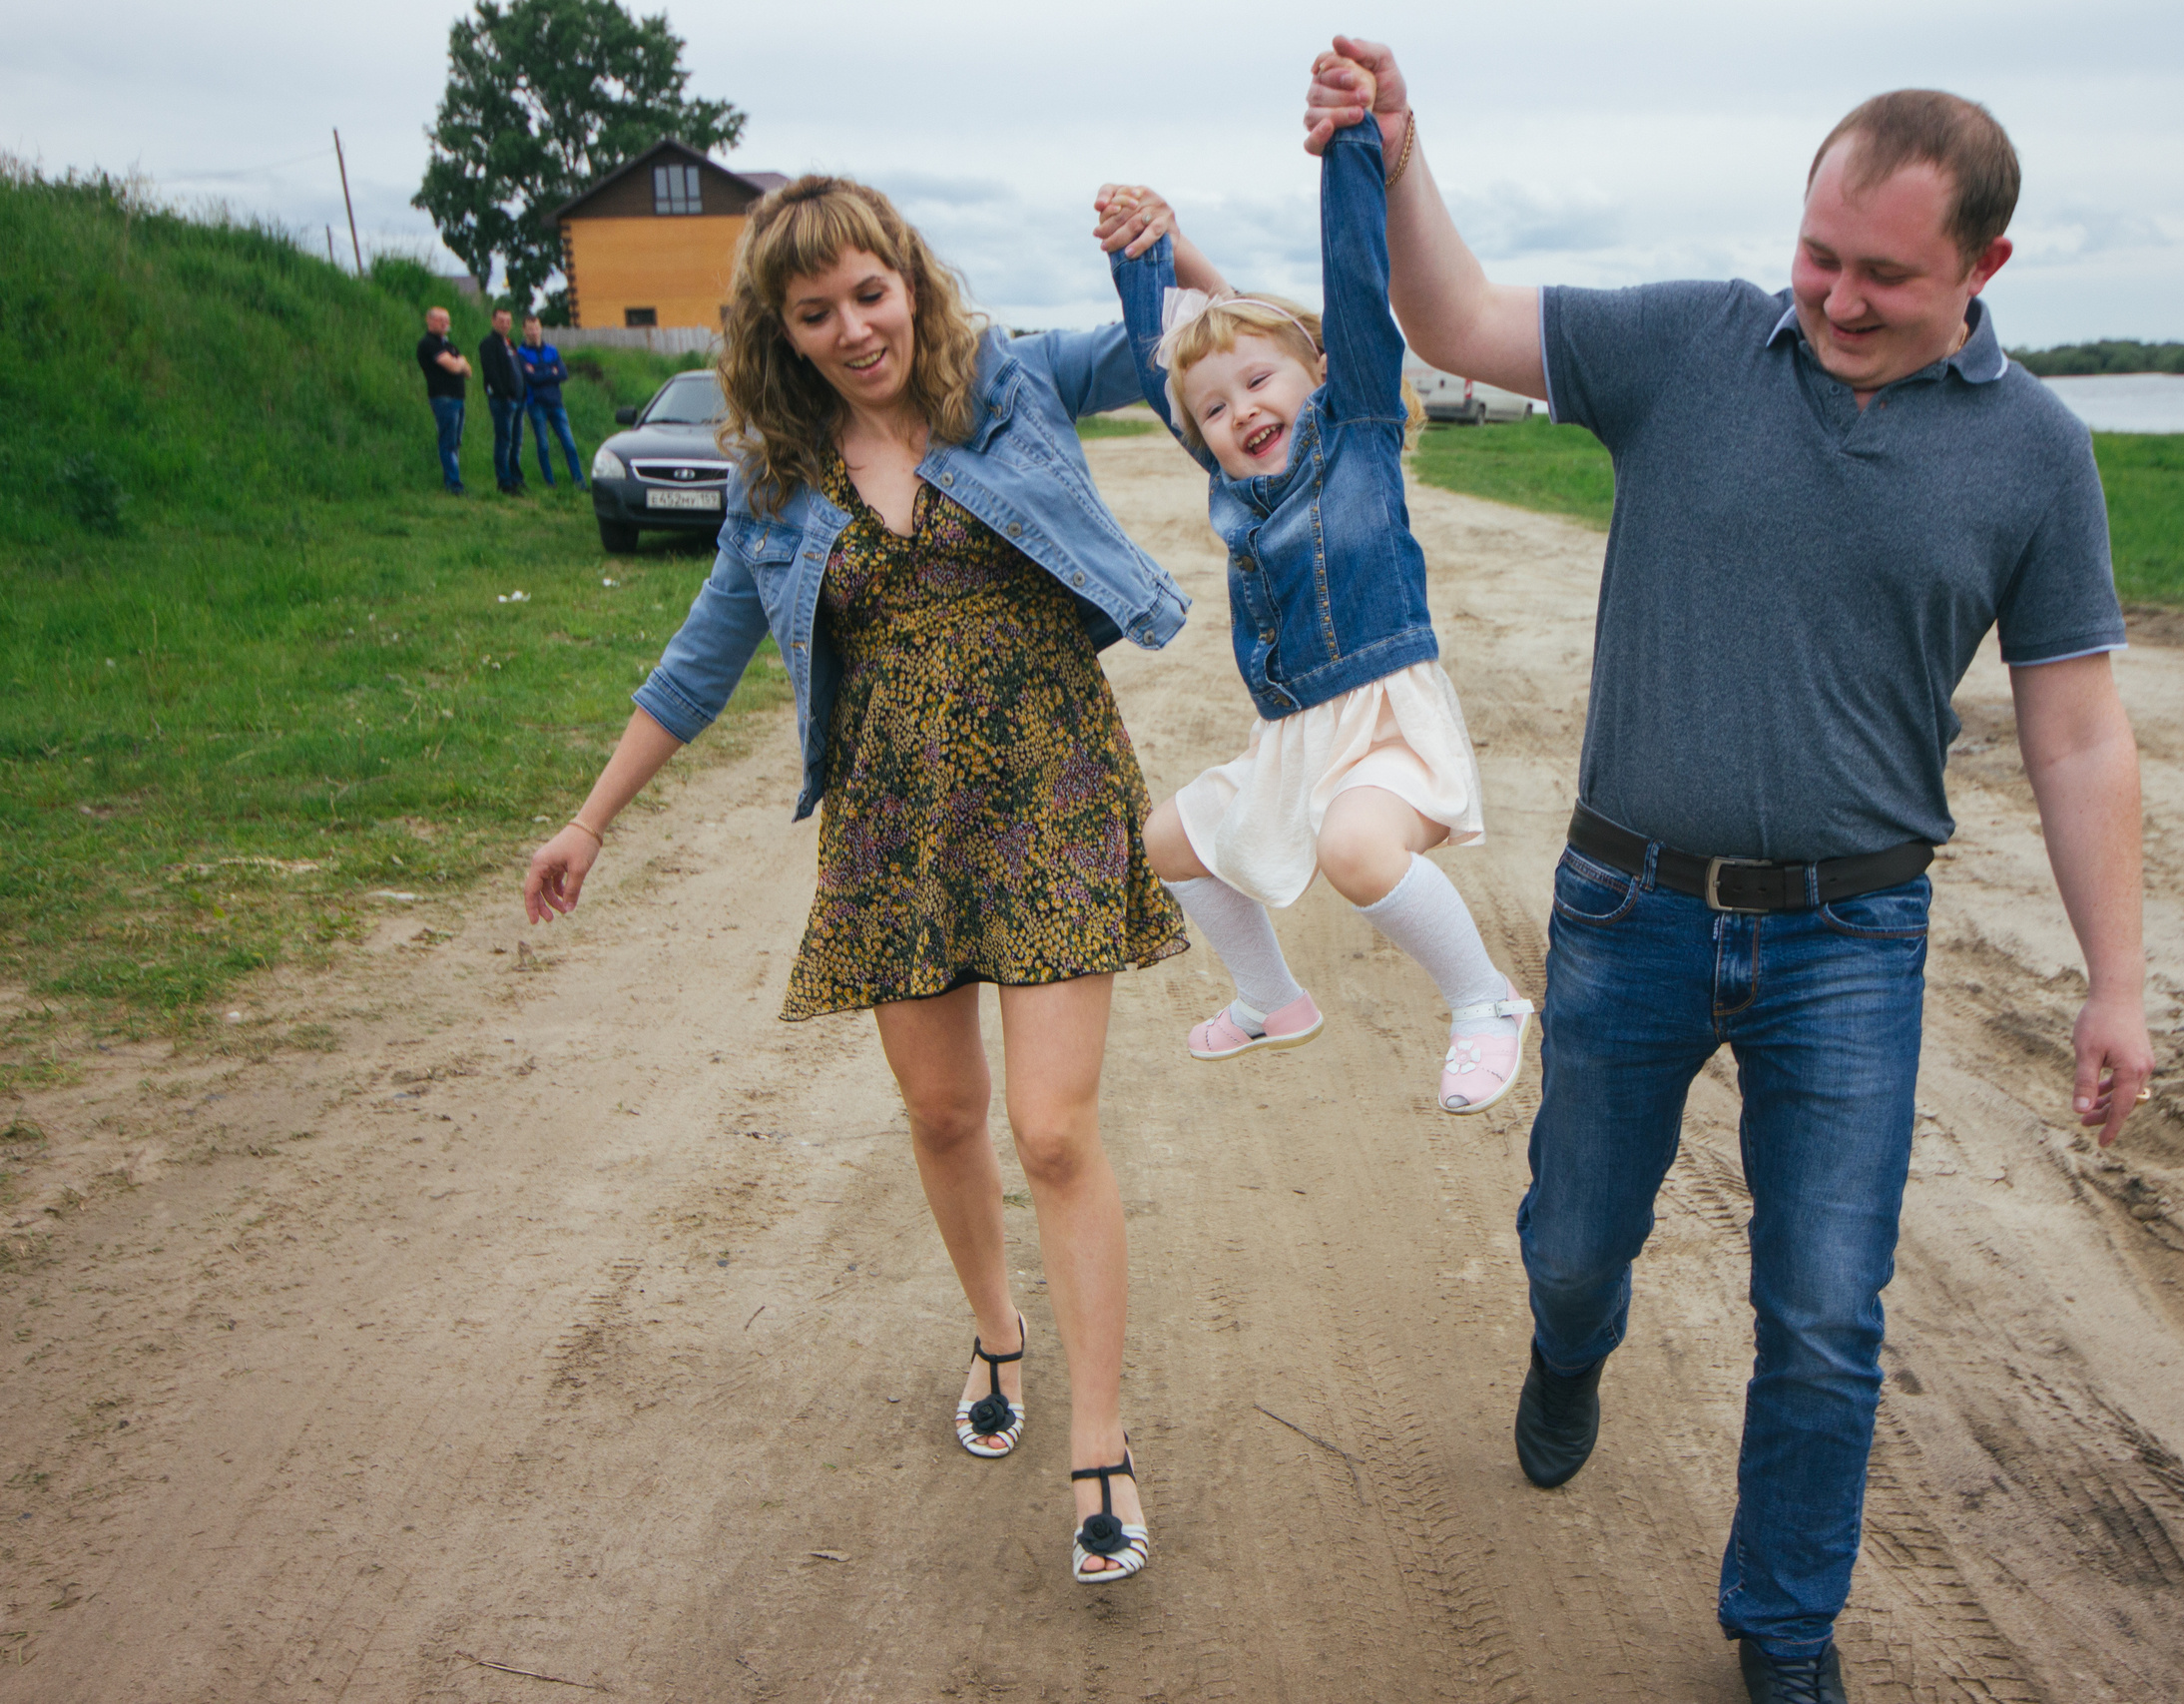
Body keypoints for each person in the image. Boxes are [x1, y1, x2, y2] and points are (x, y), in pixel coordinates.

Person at [1305, 41, 2153, 1704]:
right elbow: (1457, 318)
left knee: (1827, 1313)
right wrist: (1402, 156)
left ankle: (1783, 1632)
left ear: (1984, 269)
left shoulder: (2037, 454)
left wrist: (2117, 978)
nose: (1835, 295)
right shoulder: (1689, 344)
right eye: (1819, 253)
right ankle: (1570, 1346)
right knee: (1575, 1242)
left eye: (1885, 274)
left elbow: (2077, 736)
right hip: (1629, 907)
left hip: (1855, 932)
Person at [522, 174, 1226, 1586]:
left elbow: (1194, 351)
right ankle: (996, 1330)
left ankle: (1100, 1439)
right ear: (779, 333)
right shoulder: (779, 484)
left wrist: (1173, 244)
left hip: (1049, 784)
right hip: (894, 819)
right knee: (944, 1109)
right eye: (815, 311)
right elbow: (698, 662)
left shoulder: (1010, 381)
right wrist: (590, 820)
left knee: (1053, 1128)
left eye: (870, 292)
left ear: (910, 278)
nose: (854, 328)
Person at [1105, 110, 1532, 1116]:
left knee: (1354, 850)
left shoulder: (1359, 436)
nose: (1240, 409)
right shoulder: (1235, 485)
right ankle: (1272, 999)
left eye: (1261, 383)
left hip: (1384, 720)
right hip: (1292, 736)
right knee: (1168, 839)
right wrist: (1148, 251)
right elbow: (1170, 355)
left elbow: (1348, 280)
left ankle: (1485, 1004)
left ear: (1323, 375)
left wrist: (1352, 150)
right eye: (1214, 410)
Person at [517, 315, 585, 490]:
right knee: (544, 445)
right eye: (530, 329)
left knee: (569, 444)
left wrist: (542, 372)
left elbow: (563, 374)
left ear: (541, 328)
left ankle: (579, 482)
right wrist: (550, 372)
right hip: (535, 404)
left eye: (536, 328)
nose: (534, 332)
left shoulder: (552, 350)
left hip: (556, 403)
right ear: (524, 330)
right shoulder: (521, 353)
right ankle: (550, 483)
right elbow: (531, 378)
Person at [415, 306, 470, 494]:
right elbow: (455, 368)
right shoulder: (428, 344)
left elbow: (468, 372)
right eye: (440, 320)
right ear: (429, 321)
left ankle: (454, 479)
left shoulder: (449, 345)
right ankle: (453, 484)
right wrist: (460, 361)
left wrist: (460, 362)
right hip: (443, 398)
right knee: (447, 442)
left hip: (458, 398)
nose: (445, 323)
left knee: (456, 441)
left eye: (447, 320)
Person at [479, 308, 527, 494]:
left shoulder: (510, 343)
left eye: (508, 321)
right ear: (493, 321)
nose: (505, 324)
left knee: (516, 442)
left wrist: (521, 393)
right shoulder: (489, 344)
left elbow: (517, 369)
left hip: (518, 399)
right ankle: (504, 481)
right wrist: (504, 394)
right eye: (501, 321)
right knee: (504, 441)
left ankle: (516, 477)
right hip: (502, 401)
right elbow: (491, 373)